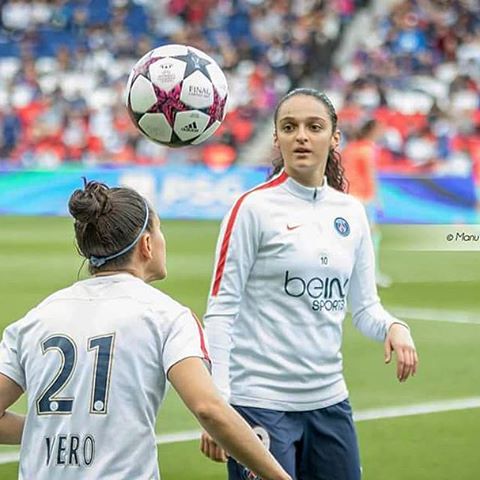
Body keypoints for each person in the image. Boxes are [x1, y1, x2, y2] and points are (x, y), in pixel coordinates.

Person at [0, 180, 291, 480]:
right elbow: (209, 408)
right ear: (147, 245)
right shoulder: (167, 316)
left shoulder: (36, 318)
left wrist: (53, 428)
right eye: (159, 229)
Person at [200, 88, 418, 479]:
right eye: (289, 127)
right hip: (259, 404)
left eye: (314, 127)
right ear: (277, 138)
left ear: (334, 138)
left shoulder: (351, 212)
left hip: (330, 403)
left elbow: (365, 307)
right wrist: (219, 405)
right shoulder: (252, 209)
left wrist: (393, 326)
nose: (301, 135)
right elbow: (221, 310)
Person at [341, 118, 392, 288]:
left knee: (350, 237)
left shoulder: (351, 148)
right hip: (362, 197)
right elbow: (370, 175)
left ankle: (346, 274)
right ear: (374, 131)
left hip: (347, 195)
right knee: (371, 236)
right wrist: (377, 200)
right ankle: (371, 275)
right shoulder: (367, 150)